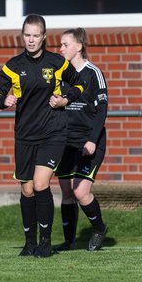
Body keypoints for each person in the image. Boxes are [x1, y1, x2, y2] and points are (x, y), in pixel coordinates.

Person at [0, 14, 86, 257]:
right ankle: (29, 242)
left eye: (36, 35)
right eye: (27, 35)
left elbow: (80, 84)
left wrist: (65, 99)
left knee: (41, 184)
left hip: (53, 131)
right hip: (24, 135)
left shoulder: (57, 62)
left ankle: (45, 242)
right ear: (22, 36)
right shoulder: (12, 66)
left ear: (44, 37)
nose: (31, 40)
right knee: (27, 190)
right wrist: (4, 100)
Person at [55, 28, 108, 251]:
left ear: (79, 46)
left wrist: (92, 140)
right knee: (66, 192)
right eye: (60, 44)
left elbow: (102, 110)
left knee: (80, 191)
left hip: (88, 142)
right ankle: (69, 242)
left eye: (65, 44)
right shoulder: (60, 74)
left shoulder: (93, 73)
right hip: (64, 142)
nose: (60, 49)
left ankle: (99, 229)